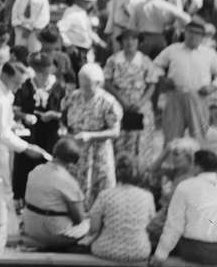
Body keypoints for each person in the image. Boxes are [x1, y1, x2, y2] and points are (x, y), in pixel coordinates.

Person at [0, 62, 50, 209]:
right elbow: (2, 134)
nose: (19, 87)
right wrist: (27, 148)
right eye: (17, 83)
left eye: (21, 83)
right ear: (5, 76)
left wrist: (12, 123)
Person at [62, 63, 123, 206]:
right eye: (81, 85)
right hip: (76, 155)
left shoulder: (108, 102)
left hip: (98, 155)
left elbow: (115, 132)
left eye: (87, 86)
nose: (84, 90)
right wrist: (64, 130)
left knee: (100, 197)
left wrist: (90, 135)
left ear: (98, 83)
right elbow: (64, 120)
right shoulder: (73, 97)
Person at [153, 17, 217, 143]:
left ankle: (199, 162)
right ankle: (171, 162)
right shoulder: (173, 49)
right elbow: (155, 65)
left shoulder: (209, 53)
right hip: (175, 95)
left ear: (202, 36)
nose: (193, 36)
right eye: (190, 32)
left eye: (197, 33)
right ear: (185, 33)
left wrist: (212, 87)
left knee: (199, 136)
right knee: (172, 136)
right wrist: (162, 79)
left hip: (199, 97)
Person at [12, 53, 66, 202]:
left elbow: (66, 113)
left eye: (44, 70)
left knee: (48, 164)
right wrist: (24, 116)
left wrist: (53, 115)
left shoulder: (59, 87)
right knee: (24, 165)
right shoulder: (26, 85)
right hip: (30, 133)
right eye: (38, 70)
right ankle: (21, 198)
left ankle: (46, 199)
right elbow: (15, 108)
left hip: (50, 134)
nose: (41, 74)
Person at [104, 29, 160, 169]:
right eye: (126, 39)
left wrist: (140, 103)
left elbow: (152, 85)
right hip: (119, 103)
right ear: (122, 42)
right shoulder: (113, 60)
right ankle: (120, 169)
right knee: (120, 138)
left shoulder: (145, 61)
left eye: (133, 39)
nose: (130, 43)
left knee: (141, 138)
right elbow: (107, 82)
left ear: (138, 42)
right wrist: (122, 101)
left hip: (140, 104)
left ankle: (140, 170)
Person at [151, 149, 217, 266]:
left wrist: (159, 256)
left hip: (195, 251)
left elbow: (174, 226)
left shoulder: (185, 186)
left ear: (197, 167)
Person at [87, 153, 156, 264]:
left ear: (117, 172)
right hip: (140, 251)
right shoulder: (147, 196)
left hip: (105, 250)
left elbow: (94, 228)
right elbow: (151, 225)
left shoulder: (105, 195)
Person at [22, 139, 89, 250]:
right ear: (72, 162)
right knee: (89, 224)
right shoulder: (69, 181)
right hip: (54, 234)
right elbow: (79, 219)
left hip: (30, 228)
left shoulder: (35, 170)